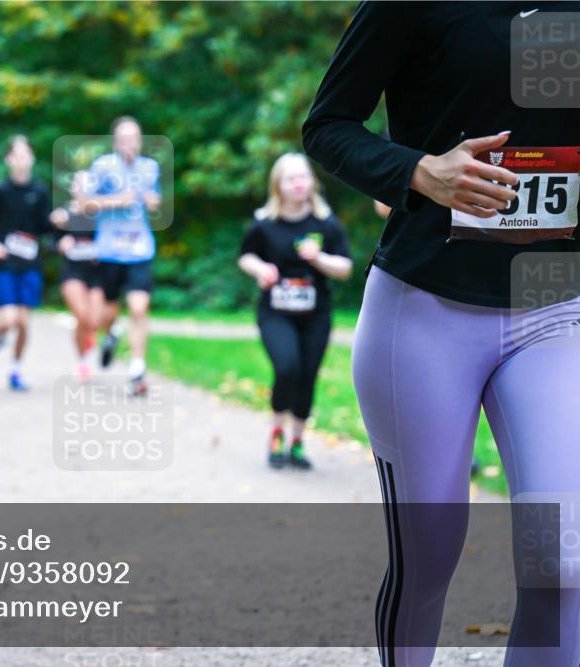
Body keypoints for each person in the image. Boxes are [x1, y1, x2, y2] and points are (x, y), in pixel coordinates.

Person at [302, 3, 579, 665]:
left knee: (563, 559)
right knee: (428, 555)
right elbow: (328, 126)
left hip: (555, 309)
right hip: (426, 310)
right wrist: (421, 172)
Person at [238, 153, 352, 470]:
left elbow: (344, 268)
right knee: (288, 367)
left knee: (307, 375)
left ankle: (297, 442)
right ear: (278, 185)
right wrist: (260, 268)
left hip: (316, 314)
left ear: (312, 182)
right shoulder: (264, 224)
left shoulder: (325, 223)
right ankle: (277, 431)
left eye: (304, 176)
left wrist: (319, 259)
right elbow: (245, 256)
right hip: (276, 311)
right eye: (292, 178)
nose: (299, 183)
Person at [78, 116, 161, 397]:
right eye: (125, 138)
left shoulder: (150, 168)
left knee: (138, 308)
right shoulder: (102, 167)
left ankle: (137, 370)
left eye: (135, 138)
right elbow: (84, 203)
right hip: (110, 251)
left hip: (140, 249)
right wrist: (118, 200)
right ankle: (112, 335)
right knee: (106, 316)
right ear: (115, 141)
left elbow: (154, 199)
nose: (130, 144)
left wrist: (152, 201)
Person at [0, 135, 53, 391]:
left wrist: (58, 227)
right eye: (16, 155)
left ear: (31, 158)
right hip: (5, 265)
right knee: (8, 320)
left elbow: (45, 227)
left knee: (23, 322)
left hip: (30, 264)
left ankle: (16, 369)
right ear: (9, 160)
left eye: (25, 155)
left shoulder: (40, 191)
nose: (21, 160)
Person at [51, 170, 106, 382]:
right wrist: (60, 244)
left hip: (97, 273)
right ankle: (82, 361)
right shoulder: (62, 215)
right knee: (83, 316)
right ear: (73, 188)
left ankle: (91, 340)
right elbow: (50, 241)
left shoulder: (102, 215)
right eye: (80, 184)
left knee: (94, 320)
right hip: (73, 272)